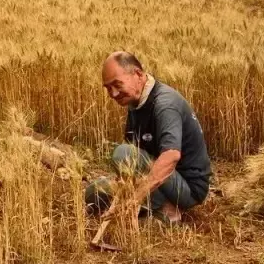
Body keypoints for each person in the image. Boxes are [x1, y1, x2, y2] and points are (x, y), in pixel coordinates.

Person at [84, 51, 212, 224]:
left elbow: (171, 156)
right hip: (156, 178)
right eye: (107, 88)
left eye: (117, 84)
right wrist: (120, 197)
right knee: (94, 192)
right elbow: (131, 167)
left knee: (123, 153)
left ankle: (167, 210)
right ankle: (157, 210)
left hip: (186, 188)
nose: (113, 94)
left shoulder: (165, 104)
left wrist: (135, 198)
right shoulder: (135, 103)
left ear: (137, 74)